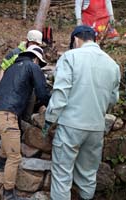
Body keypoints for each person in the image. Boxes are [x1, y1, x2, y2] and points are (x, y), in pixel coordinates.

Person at [43, 25, 120, 200]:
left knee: (62, 176)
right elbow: (112, 100)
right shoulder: (112, 65)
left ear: (76, 39)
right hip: (96, 128)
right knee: (88, 175)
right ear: (94, 39)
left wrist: (49, 120)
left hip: (71, 125)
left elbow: (61, 93)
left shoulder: (70, 57)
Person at [0, 45, 51, 200]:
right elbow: (42, 92)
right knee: (15, 157)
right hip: (6, 114)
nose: (39, 66)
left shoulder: (11, 68)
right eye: (39, 64)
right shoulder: (32, 66)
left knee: (7, 135)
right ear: (36, 59)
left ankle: (1, 164)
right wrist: (52, 106)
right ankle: (8, 193)